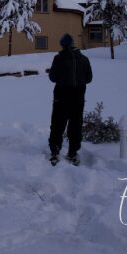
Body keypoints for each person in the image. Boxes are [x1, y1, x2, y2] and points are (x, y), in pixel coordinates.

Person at [47, 33, 92, 165]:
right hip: (78, 98)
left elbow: (52, 77)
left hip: (61, 97)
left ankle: (55, 151)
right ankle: (72, 152)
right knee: (75, 125)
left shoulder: (58, 58)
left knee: (57, 125)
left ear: (63, 45)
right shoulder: (84, 59)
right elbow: (89, 78)